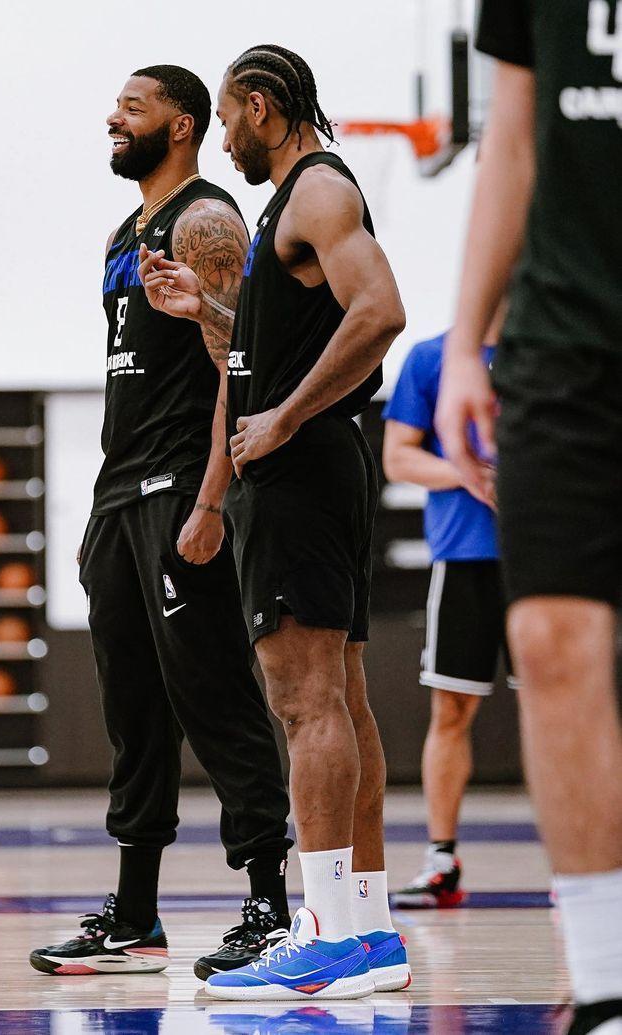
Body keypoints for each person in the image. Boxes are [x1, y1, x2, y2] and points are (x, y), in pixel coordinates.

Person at [140, 44, 410, 1000]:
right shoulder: (289, 208)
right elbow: (271, 342)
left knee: (306, 705)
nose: (222, 139)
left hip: (301, 471)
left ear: (260, 106)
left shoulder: (319, 192)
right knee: (340, 698)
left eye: (225, 119)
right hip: (311, 471)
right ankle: (368, 929)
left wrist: (287, 416)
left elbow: (381, 311)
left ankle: (325, 932)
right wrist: (206, 306)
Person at [29, 64, 293, 979]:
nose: (114, 117)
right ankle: (136, 918)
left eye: (132, 107)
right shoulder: (123, 233)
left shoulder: (207, 220)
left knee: (214, 695)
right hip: (120, 495)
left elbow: (240, 363)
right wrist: (101, 511)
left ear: (180, 125)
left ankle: (269, 904)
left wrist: (213, 497)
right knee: (134, 713)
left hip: (183, 486)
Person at [435, 5, 622, 1033]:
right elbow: (511, 133)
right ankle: (605, 985)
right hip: (563, 338)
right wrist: (469, 341)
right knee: (550, 637)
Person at [382, 309, 513, 909]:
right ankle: (441, 861)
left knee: (562, 707)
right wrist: (470, 474)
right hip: (464, 556)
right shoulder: (434, 357)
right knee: (452, 710)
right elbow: (398, 458)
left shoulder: (552, 347)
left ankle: (585, 865)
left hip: (546, 556)